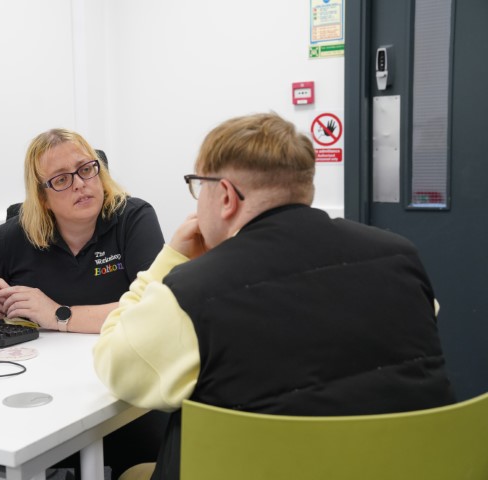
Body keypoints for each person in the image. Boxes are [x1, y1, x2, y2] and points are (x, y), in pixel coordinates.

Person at [93, 112, 455, 480]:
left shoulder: (192, 291)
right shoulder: (400, 257)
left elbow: (115, 365)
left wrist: (168, 261)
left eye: (198, 185)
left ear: (226, 197)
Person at [0, 128, 168, 477]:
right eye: (61, 179)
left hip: (124, 394)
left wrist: (58, 315)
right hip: (44, 393)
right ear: (43, 196)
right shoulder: (17, 235)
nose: (80, 184)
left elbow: (151, 310)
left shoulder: (131, 218)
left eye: (86, 169)